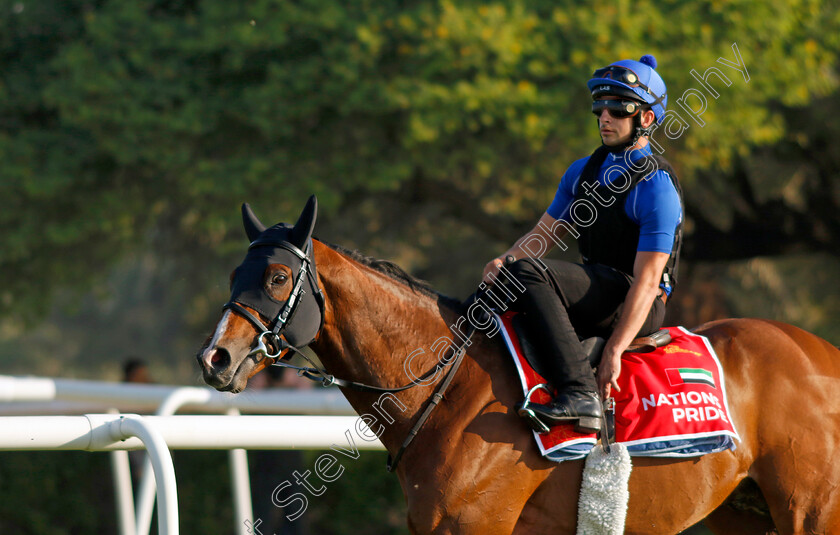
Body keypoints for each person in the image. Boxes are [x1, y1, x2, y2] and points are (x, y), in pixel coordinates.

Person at [483, 54, 682, 432]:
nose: (605, 117)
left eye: (619, 108)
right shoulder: (582, 171)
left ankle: (579, 394)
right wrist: (501, 261)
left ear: (647, 118)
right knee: (507, 277)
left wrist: (615, 349)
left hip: (638, 300)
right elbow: (543, 236)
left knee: (527, 273)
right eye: (600, 107)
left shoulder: (656, 187)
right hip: (595, 287)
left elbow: (648, 280)